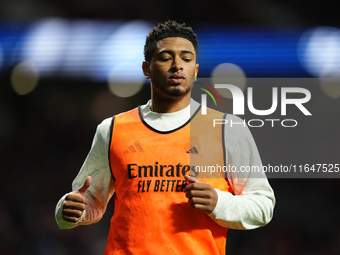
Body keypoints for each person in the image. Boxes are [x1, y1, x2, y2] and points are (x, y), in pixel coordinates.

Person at [55, 20, 275, 254]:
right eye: (165, 57)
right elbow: (88, 201)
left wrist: (219, 203)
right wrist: (68, 211)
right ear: (146, 69)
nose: (177, 65)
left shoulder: (226, 128)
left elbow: (263, 205)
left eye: (186, 59)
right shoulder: (112, 129)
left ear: (196, 71)